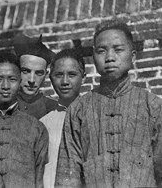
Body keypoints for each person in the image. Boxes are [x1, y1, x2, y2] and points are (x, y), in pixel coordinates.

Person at [55, 19, 162, 188]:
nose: (110, 57)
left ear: (133, 55)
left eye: (118, 49)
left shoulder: (154, 106)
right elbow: (67, 177)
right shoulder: (78, 110)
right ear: (93, 56)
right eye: (102, 51)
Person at [0, 52, 49, 188]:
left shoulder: (36, 128)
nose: (5, 86)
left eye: (12, 79)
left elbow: (39, 180)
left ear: (20, 82)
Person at [0, 33, 58, 119]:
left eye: (38, 73)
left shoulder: (52, 108)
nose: (31, 80)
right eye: (25, 71)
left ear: (45, 75)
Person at [40, 49, 85, 188]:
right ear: (50, 77)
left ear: (83, 76)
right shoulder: (43, 124)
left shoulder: (95, 116)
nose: (65, 81)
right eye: (59, 75)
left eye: (72, 74)